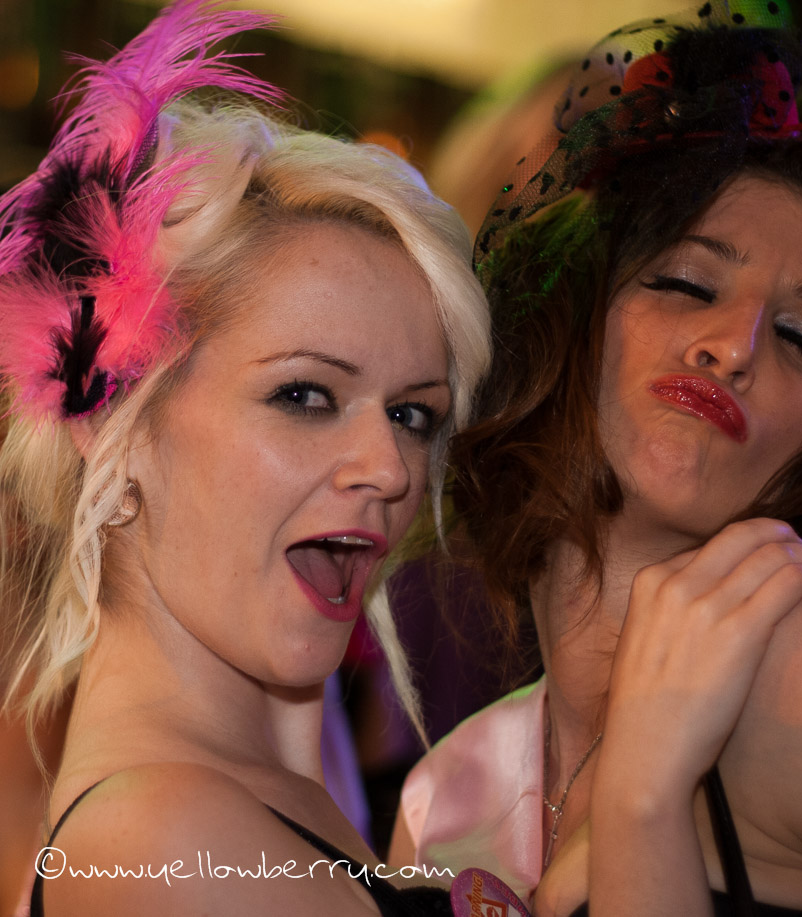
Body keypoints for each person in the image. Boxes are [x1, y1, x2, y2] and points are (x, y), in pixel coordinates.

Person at [392, 3, 802, 915]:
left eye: (801, 339)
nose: (734, 346)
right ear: (573, 317)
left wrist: (643, 800)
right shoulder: (445, 794)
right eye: (686, 282)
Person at [0, 1, 491, 914]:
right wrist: (641, 802)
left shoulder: (258, 793)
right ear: (116, 424)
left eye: (414, 415)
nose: (389, 468)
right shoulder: (163, 839)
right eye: (304, 395)